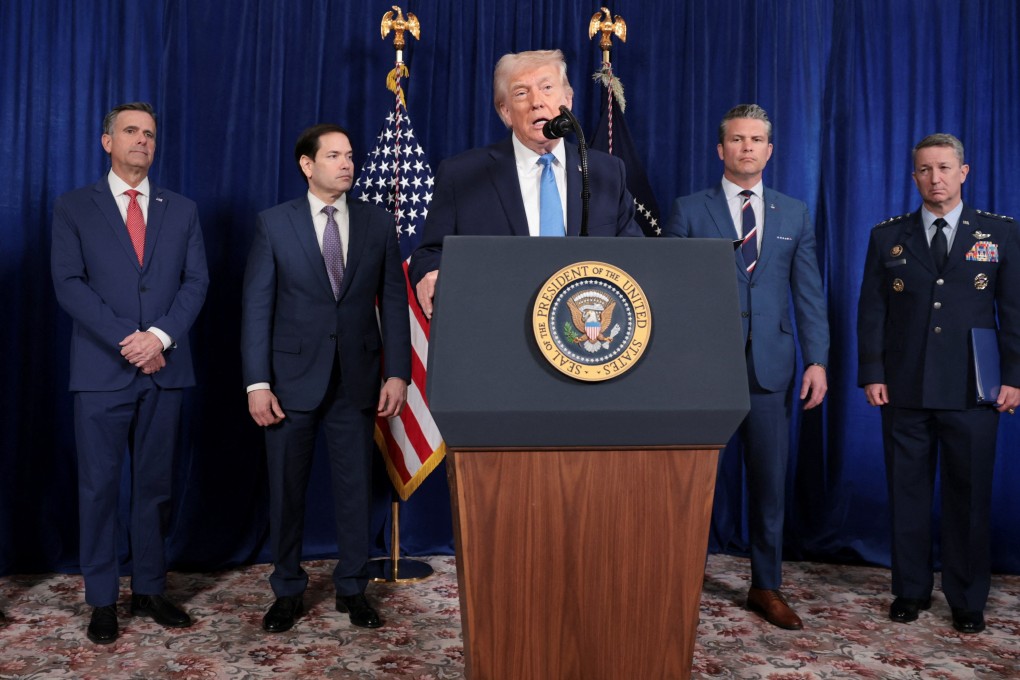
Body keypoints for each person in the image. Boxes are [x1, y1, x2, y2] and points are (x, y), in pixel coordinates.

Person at [664, 104, 829, 630]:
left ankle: (766, 585)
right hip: (704, 370)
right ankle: (678, 579)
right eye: (737, 139)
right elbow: (671, 295)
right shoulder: (689, 211)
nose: (748, 147)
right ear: (721, 149)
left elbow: (808, 294)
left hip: (771, 370)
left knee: (768, 483)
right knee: (690, 483)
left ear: (770, 149)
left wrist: (818, 360)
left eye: (757, 139)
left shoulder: (794, 213)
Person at [241, 124, 411, 633]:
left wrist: (397, 372)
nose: (347, 164)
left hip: (357, 379)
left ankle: (353, 588)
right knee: (286, 490)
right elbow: (256, 309)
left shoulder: (378, 223)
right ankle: (287, 590)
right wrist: (257, 383)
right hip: (289, 383)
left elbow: (395, 303)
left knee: (355, 488)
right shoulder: (274, 224)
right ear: (307, 165)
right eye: (334, 156)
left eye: (351, 156)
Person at [51, 102, 209, 644]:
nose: (142, 140)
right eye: (130, 132)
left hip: (166, 370)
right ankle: (102, 599)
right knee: (98, 488)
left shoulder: (182, 209)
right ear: (106, 142)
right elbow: (69, 284)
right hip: (101, 371)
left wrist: (160, 337)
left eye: (149, 134)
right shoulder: (74, 207)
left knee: (155, 488)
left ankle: (148, 587)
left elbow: (196, 284)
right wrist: (132, 341)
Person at [857, 133, 1020, 634]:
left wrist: (1013, 378)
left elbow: (1013, 311)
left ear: (963, 172)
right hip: (903, 387)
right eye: (925, 170)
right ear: (914, 177)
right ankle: (909, 590)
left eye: (945, 168)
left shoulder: (1000, 233)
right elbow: (872, 311)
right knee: (906, 492)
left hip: (975, 387)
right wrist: (872, 372)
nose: (936, 178)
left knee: (968, 494)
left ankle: (967, 598)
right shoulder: (889, 236)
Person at [408, 49, 642, 317]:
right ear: (505, 111)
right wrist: (432, 272)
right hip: (498, 323)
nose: (536, 102)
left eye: (547, 88)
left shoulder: (606, 172)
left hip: (585, 331)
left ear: (568, 99)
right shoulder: (462, 175)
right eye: (521, 93)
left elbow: (634, 255)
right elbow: (429, 254)